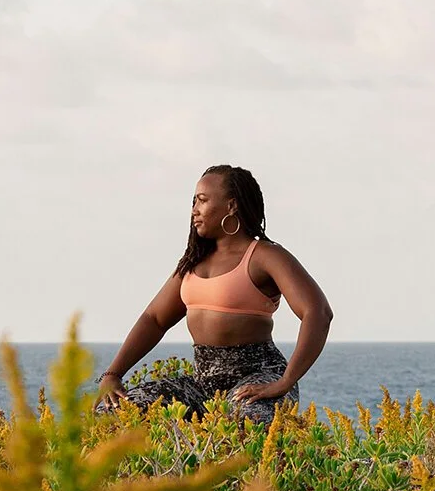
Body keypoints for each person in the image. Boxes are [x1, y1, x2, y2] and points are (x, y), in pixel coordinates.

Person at [95, 164, 333, 422]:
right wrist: (113, 374)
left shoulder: (265, 255)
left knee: (243, 425)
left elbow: (317, 312)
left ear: (231, 206)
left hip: (256, 377)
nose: (194, 210)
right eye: (193, 201)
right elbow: (154, 319)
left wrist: (286, 381)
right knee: (112, 414)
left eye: (203, 200)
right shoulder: (193, 262)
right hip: (202, 385)